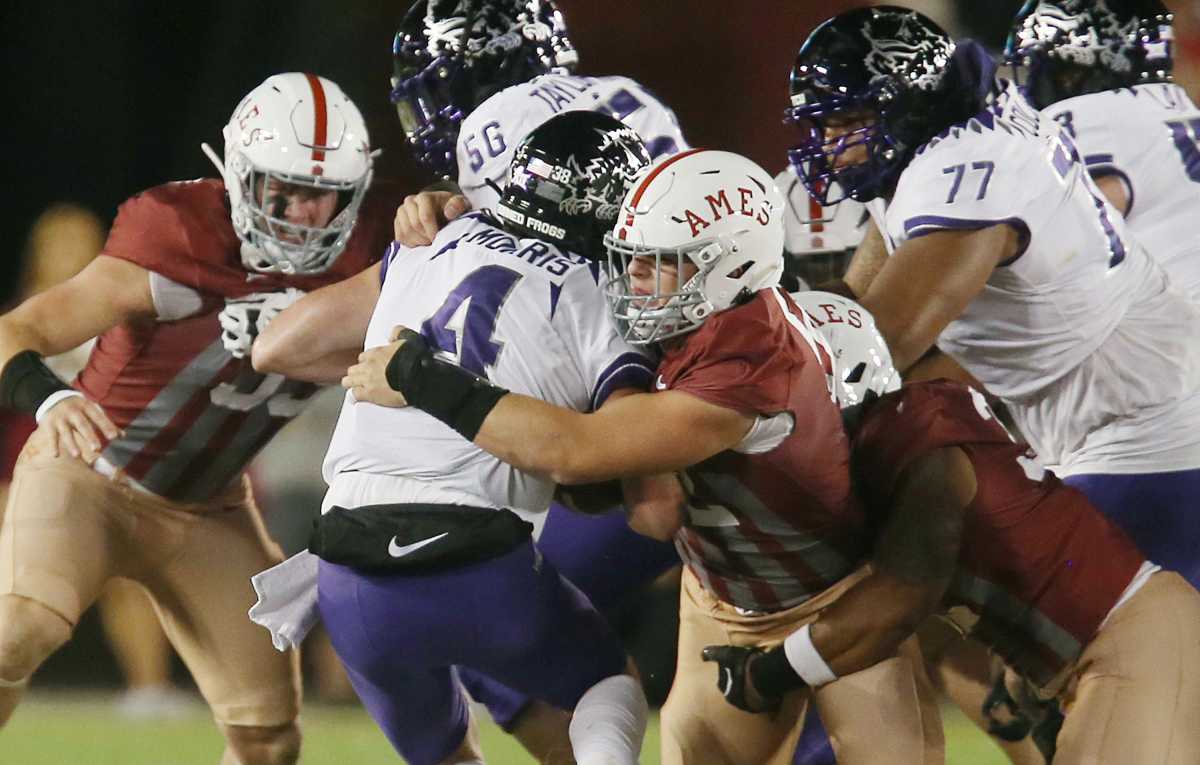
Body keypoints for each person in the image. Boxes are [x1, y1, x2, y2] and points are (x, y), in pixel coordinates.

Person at [349, 147, 944, 765]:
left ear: (730, 266)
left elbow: (581, 457)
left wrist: (425, 378)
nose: (632, 281)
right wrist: (454, 207)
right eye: (631, 260)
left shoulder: (754, 362)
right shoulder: (681, 322)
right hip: (720, 600)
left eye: (660, 265)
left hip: (836, 599)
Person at [0, 72, 399, 765]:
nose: (305, 215)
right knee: (18, 628)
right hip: (92, 473)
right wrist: (50, 396)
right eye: (285, 192)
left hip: (209, 508)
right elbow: (18, 328)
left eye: (324, 196)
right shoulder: (179, 231)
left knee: (270, 737)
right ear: (239, 177)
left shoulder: (372, 258)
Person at [253, 110, 668, 765]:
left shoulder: (426, 240)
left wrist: (384, 360)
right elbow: (627, 469)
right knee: (606, 685)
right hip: (479, 563)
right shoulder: (604, 289)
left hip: (346, 573)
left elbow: (278, 345)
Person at [785, 5, 1200, 590]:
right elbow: (856, 297)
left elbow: (876, 350)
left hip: (1145, 421)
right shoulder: (933, 137)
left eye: (847, 121)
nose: (830, 146)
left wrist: (738, 378)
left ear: (905, 107)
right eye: (822, 126)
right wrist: (776, 316)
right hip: (1100, 404)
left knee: (1085, 639)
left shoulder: (969, 172)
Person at [703, 291, 1200, 765]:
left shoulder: (920, 447)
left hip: (1135, 645)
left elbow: (901, 599)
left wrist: (768, 673)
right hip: (1112, 647)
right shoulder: (903, 430)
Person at [387, 0, 688, 754]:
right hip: (694, 363)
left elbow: (548, 257)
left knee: (505, 613)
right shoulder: (628, 98)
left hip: (641, 378)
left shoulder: (507, 120)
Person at [1008, 1, 1200, 297]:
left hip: (1178, 326)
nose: (1035, 84)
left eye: (1054, 72)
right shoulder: (1183, 109)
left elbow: (1064, 241)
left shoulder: (1091, 116)